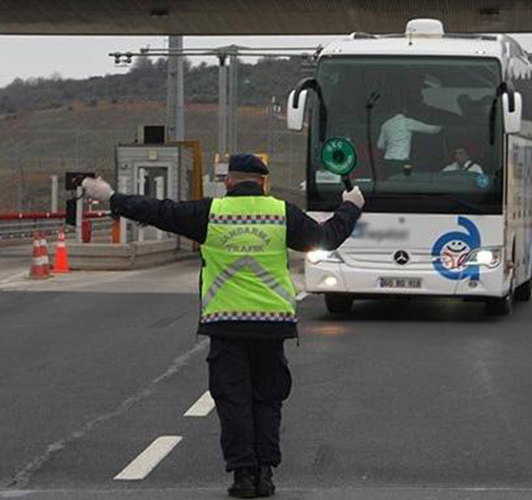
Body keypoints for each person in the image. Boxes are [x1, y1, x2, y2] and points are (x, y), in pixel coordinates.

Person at [82, 154, 363, 498]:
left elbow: (158, 210)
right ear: (263, 183)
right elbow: (325, 239)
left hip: (226, 324)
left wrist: (111, 197)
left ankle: (243, 475)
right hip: (272, 324)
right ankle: (266, 473)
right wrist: (351, 207)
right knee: (267, 400)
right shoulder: (281, 213)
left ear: (228, 182)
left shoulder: (209, 213)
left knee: (233, 401)